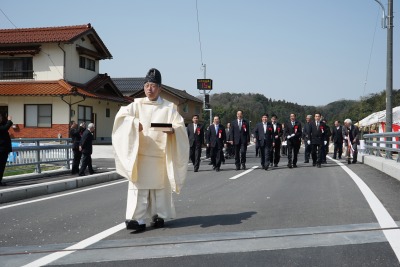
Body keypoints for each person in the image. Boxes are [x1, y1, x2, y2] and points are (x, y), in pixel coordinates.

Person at [112, 68, 188, 233]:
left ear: (160, 88)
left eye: (153, 85)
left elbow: (180, 126)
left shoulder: (169, 107)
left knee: (159, 189)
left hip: (160, 155)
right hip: (140, 155)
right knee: (139, 189)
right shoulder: (136, 104)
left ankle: (158, 215)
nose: (149, 89)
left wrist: (173, 130)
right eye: (147, 85)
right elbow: (121, 117)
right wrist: (132, 123)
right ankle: (137, 219)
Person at [0, 114, 13, 186]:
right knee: (1, 166)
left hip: (4, 149)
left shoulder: (2, 125)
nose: (1, 119)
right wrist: (9, 120)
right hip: (1, 150)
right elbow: (5, 128)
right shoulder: (2, 127)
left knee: (2, 166)